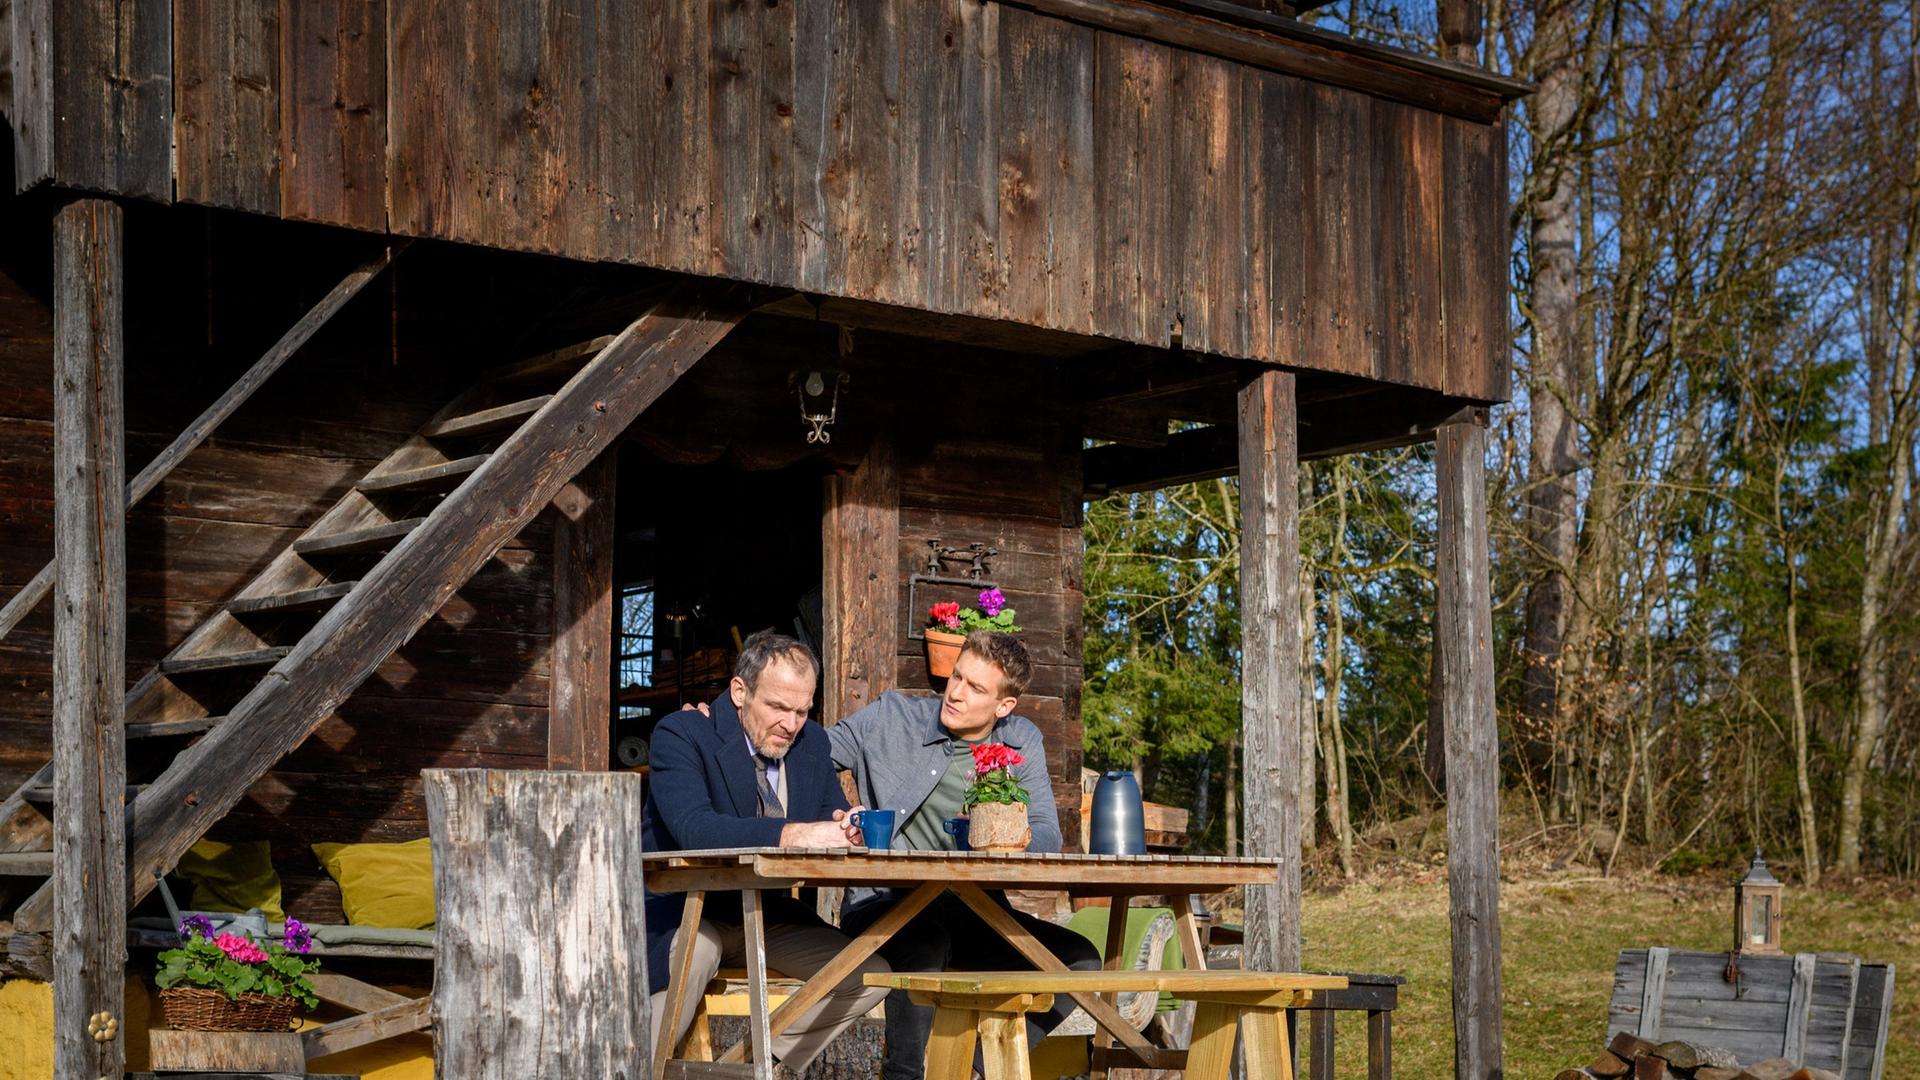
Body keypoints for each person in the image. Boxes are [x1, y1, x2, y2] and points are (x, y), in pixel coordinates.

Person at [828, 630, 1102, 1080]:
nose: (954, 693)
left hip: (976, 911)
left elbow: (1048, 835)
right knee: (925, 943)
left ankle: (974, 1071)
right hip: (885, 905)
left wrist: (1001, 832)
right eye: (957, 676)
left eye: (975, 688)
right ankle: (903, 1074)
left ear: (1004, 707)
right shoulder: (892, 717)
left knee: (1080, 961)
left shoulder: (1021, 741)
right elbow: (812, 752)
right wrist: (832, 818)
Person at [641, 630, 891, 1074]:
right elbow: (695, 829)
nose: (791, 724)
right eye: (778, 707)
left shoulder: (812, 743)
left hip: (768, 916)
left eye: (802, 710)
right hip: (688, 912)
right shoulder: (682, 733)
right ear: (740, 691)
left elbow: (826, 817)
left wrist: (846, 829)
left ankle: (756, 1065)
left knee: (870, 973)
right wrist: (795, 834)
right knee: (692, 958)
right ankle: (633, 1068)